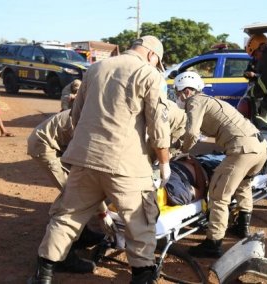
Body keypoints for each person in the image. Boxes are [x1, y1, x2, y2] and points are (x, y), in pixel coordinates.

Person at [28, 35, 171, 284]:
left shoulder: (95, 69)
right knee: (140, 223)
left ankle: (44, 276)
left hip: (84, 160)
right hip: (126, 165)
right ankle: (142, 277)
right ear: (151, 55)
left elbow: (76, 115)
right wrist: (165, 162)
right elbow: (158, 126)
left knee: (67, 217)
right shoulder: (150, 74)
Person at [174, 71, 267, 258]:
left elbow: (192, 133)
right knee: (243, 185)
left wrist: (182, 150)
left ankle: (214, 243)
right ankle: (242, 227)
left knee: (218, 194)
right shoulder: (211, 101)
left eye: (178, 93)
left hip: (241, 149)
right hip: (260, 148)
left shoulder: (195, 101)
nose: (178, 97)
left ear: (186, 91)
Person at [27, 109, 112, 274]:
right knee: (73, 197)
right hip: (45, 145)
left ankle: (83, 234)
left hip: (63, 145)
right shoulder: (96, 121)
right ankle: (63, 257)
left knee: (78, 193)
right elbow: (89, 178)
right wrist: (103, 212)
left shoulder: (101, 110)